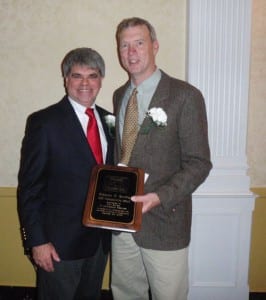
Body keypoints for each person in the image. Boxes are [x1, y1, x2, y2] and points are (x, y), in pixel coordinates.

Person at [111, 17, 212, 300]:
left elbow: (199, 163)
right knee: (126, 294)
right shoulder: (120, 96)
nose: (131, 52)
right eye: (124, 46)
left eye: (139, 43)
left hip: (165, 221)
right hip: (122, 224)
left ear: (154, 46)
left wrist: (158, 197)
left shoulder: (185, 96)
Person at [17, 47, 114, 300]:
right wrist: (36, 242)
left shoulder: (110, 121)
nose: (85, 83)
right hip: (57, 246)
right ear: (66, 79)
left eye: (92, 76)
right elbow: (29, 188)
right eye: (77, 75)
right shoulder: (44, 122)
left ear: (100, 80)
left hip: (99, 243)